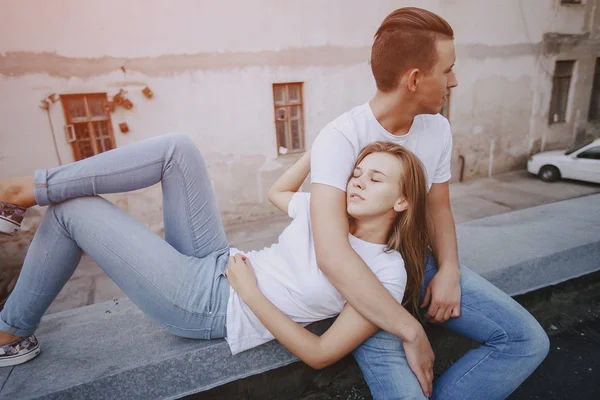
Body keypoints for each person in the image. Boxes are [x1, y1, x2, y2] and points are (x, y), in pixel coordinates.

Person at [0, 134, 430, 372]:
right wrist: (325, 149)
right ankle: (27, 189)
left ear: (402, 201)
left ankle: (9, 331)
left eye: (374, 179)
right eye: (355, 172)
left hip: (210, 305)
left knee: (72, 211)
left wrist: (252, 294)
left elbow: (320, 355)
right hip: (218, 261)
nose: (356, 181)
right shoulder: (329, 213)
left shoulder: (387, 272)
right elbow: (278, 191)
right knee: (179, 150)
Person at [308, 6, 549, 400]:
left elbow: (439, 208)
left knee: (527, 342)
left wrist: (450, 270)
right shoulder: (341, 137)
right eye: (448, 69)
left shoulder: (437, 127)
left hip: (421, 264)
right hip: (366, 283)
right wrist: (411, 329)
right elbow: (332, 257)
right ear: (415, 79)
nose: (454, 81)